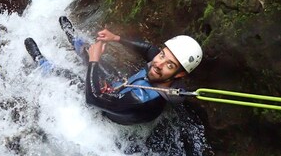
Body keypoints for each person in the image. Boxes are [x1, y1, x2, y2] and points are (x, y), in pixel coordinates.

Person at [25, 16, 202, 125]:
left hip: (109, 109)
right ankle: (76, 41)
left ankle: (43, 63)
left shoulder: (142, 99)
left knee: (74, 78)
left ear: (180, 74)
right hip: (121, 86)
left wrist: (94, 61)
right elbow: (149, 49)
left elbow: (93, 98)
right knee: (93, 55)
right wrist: (116, 38)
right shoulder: (162, 67)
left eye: (169, 65)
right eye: (162, 55)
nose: (159, 63)